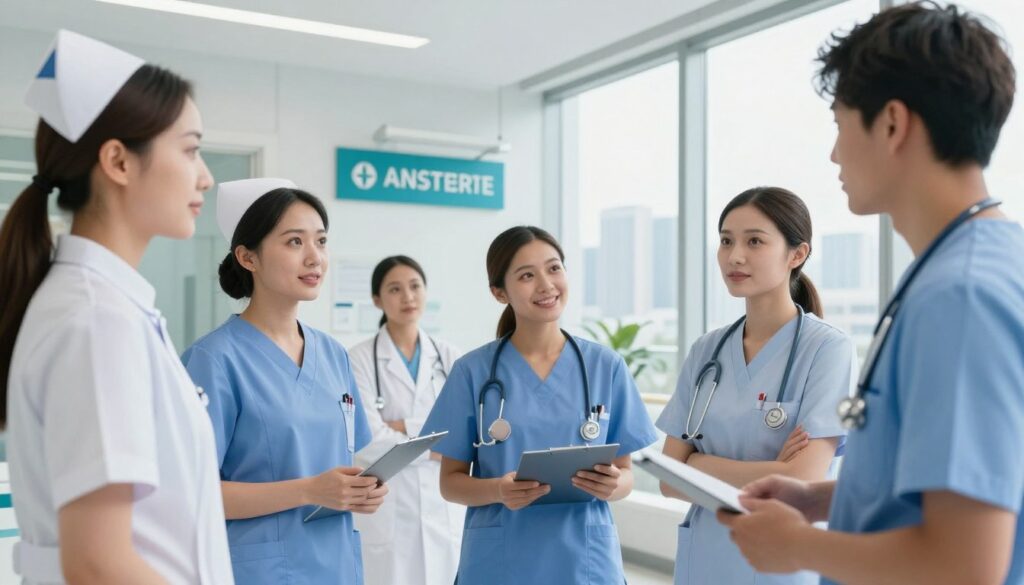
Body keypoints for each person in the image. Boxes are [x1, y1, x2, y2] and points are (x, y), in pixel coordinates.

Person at [718, 4, 1024, 584]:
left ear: (891, 124)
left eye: (839, 125)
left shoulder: (960, 297)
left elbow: (965, 566)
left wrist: (798, 546)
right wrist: (821, 499)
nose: (834, 154)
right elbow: (975, 481)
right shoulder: (982, 262)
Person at [0, 30, 233, 584]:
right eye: (190, 149)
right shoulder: (96, 320)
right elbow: (97, 563)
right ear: (119, 162)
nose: (205, 176)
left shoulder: (105, 308)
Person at [420, 225, 658, 585]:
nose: (546, 285)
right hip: (501, 563)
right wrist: (497, 490)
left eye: (554, 268)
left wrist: (613, 484)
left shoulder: (605, 367)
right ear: (500, 292)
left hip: (584, 561)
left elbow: (625, 475)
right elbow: (450, 484)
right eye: (527, 276)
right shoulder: (472, 372)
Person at [181, 178, 387, 584]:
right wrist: (309, 491)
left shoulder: (334, 355)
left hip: (337, 566)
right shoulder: (214, 360)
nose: (315, 257)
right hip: (261, 571)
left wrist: (358, 490)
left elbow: (339, 464)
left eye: (321, 241)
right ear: (248, 257)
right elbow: (192, 492)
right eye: (295, 242)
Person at [657, 186, 855, 585]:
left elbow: (803, 481)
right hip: (705, 557)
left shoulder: (827, 348)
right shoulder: (707, 350)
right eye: (726, 241)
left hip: (779, 563)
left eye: (754, 241)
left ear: (797, 255)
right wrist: (774, 470)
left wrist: (697, 464)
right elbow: (669, 481)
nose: (735, 256)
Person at [348, 255, 465, 585]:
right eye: (395, 289)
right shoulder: (357, 359)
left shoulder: (450, 357)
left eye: (415, 286)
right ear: (377, 300)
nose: (408, 297)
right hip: (389, 506)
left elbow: (463, 432)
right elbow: (368, 439)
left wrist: (402, 427)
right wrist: (434, 445)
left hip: (443, 508)